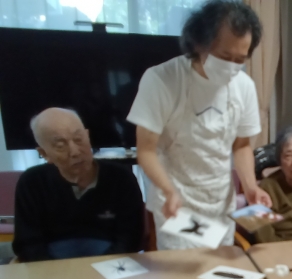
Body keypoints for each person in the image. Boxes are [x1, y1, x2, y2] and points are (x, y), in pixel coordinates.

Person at [127, 0, 271, 250]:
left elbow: (241, 146)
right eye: (225, 56)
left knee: (220, 268)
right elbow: (146, 150)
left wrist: (250, 187)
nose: (232, 67)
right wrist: (169, 191)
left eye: (240, 59)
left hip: (219, 201)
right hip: (177, 202)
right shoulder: (162, 79)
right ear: (198, 44)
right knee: (186, 269)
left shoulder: (244, 86)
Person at [13, 108, 144, 262]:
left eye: (78, 139)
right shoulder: (31, 183)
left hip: (111, 264)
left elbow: (130, 240)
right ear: (44, 153)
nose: (75, 152)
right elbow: (28, 244)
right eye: (60, 145)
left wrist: (98, 268)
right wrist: (59, 271)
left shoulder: (121, 178)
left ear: (87, 136)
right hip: (52, 266)